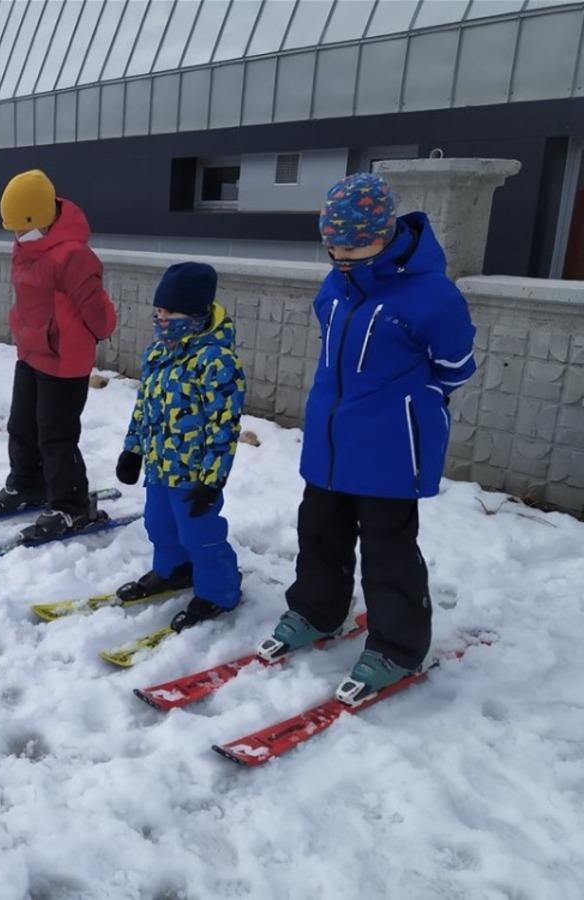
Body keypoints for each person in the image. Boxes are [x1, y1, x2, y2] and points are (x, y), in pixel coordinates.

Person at [258, 172, 478, 705]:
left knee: (388, 547)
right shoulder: (337, 283)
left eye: (354, 243)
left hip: (391, 447)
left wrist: (406, 406)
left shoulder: (432, 295)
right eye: (332, 242)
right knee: (319, 528)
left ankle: (399, 646)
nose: (341, 254)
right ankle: (316, 611)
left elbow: (455, 367)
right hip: (333, 439)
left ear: (386, 233)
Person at [0, 169, 116, 542]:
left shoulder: (73, 255)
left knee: (56, 436)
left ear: (38, 217)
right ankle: (27, 484)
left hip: (65, 360)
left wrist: (97, 330)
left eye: (19, 227)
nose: (15, 235)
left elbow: (98, 312)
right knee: (21, 426)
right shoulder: (26, 245)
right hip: (31, 351)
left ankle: (72, 506)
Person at [115, 262, 245, 630]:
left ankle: (220, 590)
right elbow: (143, 406)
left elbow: (225, 427)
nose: (161, 320)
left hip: (194, 473)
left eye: (169, 313)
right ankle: (173, 570)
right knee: (159, 525)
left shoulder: (217, 361)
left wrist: (213, 480)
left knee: (200, 535)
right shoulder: (157, 354)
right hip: (158, 466)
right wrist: (133, 449)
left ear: (195, 314)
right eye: (157, 312)